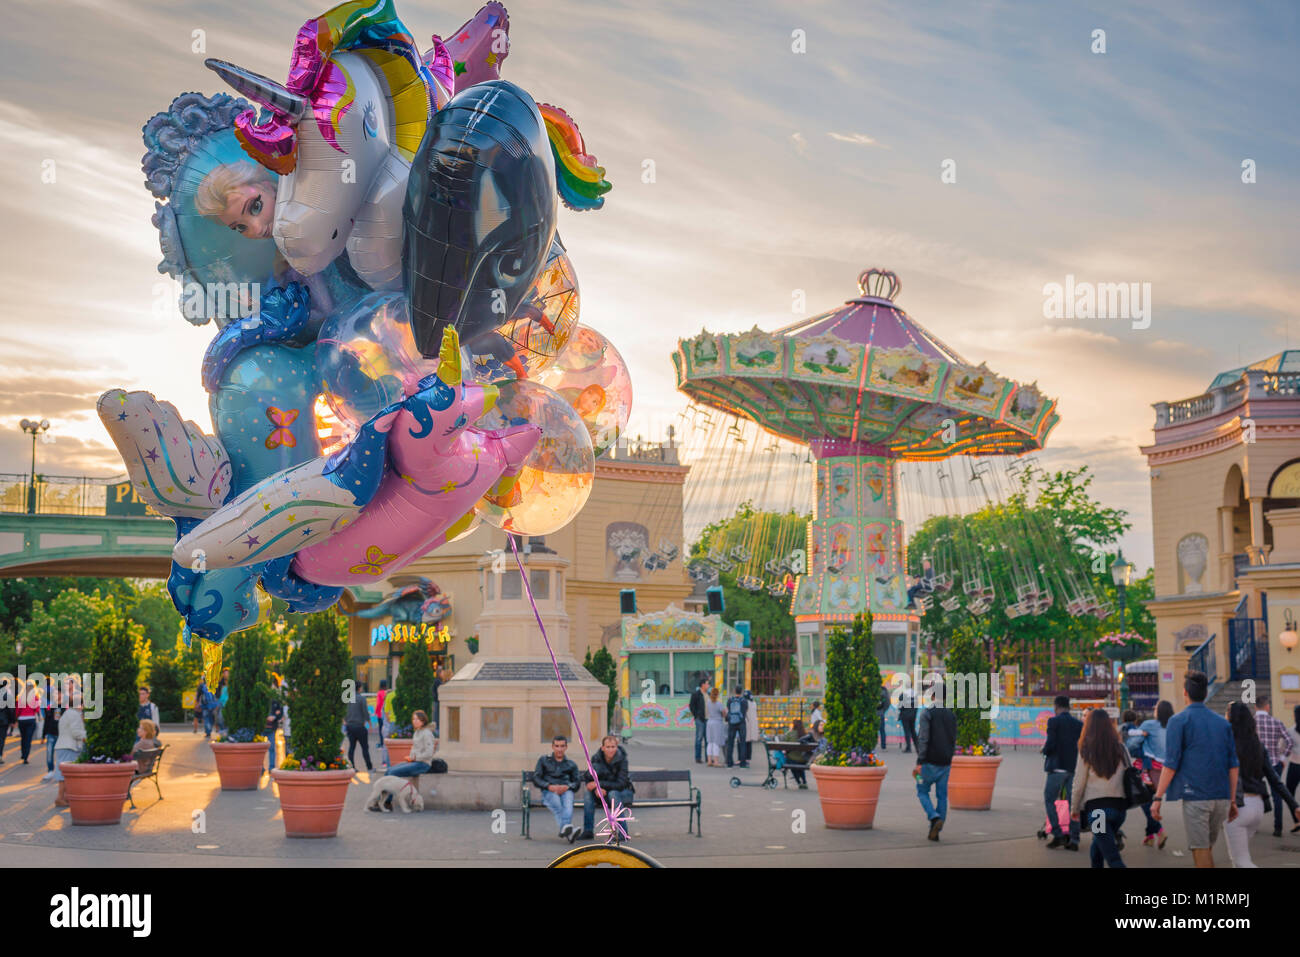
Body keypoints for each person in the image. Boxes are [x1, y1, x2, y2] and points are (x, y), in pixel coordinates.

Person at [1151, 671, 1239, 868]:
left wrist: (1158, 798)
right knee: (1206, 849)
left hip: (1196, 796)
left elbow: (1171, 763)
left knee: (1200, 851)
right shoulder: (1223, 723)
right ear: (1206, 694)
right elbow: (1233, 765)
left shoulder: (1178, 721)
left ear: (1185, 693)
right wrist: (1232, 800)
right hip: (1221, 797)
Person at [1224, 701, 1300, 867]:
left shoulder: (1228, 745)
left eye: (1226, 714)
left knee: (1242, 862)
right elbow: (1275, 780)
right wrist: (1294, 805)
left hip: (1237, 808)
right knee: (1240, 860)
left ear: (1231, 719)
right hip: (1258, 807)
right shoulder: (1258, 745)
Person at [1071, 708, 1130, 869]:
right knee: (1097, 850)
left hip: (1097, 812)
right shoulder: (1121, 748)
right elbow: (1130, 772)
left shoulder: (1086, 750)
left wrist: (1074, 808)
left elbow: (1078, 782)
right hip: (1119, 810)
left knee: (1113, 858)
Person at [914, 680, 957, 841]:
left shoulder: (927, 713)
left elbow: (923, 738)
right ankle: (937, 827)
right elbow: (953, 739)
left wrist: (919, 761)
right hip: (945, 762)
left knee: (921, 790)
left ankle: (933, 817)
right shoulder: (951, 715)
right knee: (942, 796)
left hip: (928, 762)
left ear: (932, 695)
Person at [1041, 695, 1084, 850]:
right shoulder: (1079, 724)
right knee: (1074, 804)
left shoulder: (1053, 722)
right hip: (1073, 768)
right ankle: (1074, 839)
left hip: (1057, 767)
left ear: (1056, 706)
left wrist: (1044, 751)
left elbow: (1050, 744)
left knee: (1049, 799)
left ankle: (1058, 834)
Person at [1131, 700, 1173, 847]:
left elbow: (1134, 742)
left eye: (1155, 707)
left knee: (1143, 800)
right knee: (1153, 801)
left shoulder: (1149, 725)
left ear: (1158, 711)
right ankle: (1149, 835)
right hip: (1165, 771)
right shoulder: (1174, 726)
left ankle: (1159, 830)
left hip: (1148, 769)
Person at [579, 735, 635, 840]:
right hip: (603, 793)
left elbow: (621, 784)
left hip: (623, 793)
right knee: (587, 794)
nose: (610, 750)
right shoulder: (596, 759)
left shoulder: (622, 760)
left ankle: (623, 833)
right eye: (608, 747)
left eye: (613, 747)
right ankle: (588, 831)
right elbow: (589, 776)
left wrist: (600, 785)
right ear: (603, 748)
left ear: (617, 747)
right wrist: (597, 788)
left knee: (613, 794)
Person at [1252, 695, 1293, 837]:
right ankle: (1278, 828)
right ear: (1267, 706)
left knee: (1253, 794)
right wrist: (1283, 757)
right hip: (1274, 762)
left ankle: (1253, 825)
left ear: (1255, 707)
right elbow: (1289, 741)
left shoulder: (1251, 722)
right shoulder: (1276, 722)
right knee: (1277, 795)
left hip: (1256, 763)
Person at [534, 735, 581, 840]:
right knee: (557, 804)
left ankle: (565, 830)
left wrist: (567, 786)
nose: (559, 749)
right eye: (557, 746)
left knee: (568, 805)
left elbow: (577, 782)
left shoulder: (571, 764)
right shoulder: (543, 760)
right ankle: (569, 831)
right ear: (552, 747)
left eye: (562, 746)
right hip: (549, 791)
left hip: (566, 790)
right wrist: (548, 786)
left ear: (566, 747)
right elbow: (536, 778)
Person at [52, 683, 85, 808]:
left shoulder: (68, 713)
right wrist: (87, 736)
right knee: (64, 775)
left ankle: (64, 798)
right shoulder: (74, 714)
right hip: (68, 747)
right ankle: (60, 798)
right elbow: (76, 732)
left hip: (64, 746)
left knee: (64, 774)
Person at [345, 690, 374, 772]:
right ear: (360, 688)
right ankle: (369, 767)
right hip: (360, 726)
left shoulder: (348, 699)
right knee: (365, 747)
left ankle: (352, 767)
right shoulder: (361, 698)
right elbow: (365, 712)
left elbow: (344, 711)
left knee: (352, 747)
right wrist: (369, 723)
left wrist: (345, 720)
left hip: (350, 726)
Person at [780, 719, 813, 788]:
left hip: (792, 759)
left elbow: (783, 744)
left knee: (791, 762)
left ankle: (798, 782)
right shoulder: (806, 734)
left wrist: (789, 731)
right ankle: (804, 781)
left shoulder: (790, 733)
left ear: (793, 725)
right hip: (803, 760)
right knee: (799, 764)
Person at [16, 679, 40, 764]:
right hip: (31, 719)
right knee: (28, 738)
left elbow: (18, 710)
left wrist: (16, 719)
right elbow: (37, 709)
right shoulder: (35, 697)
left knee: (23, 737)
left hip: (22, 720)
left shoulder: (21, 697)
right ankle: (26, 756)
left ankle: (23, 753)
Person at [725, 684, 748, 768]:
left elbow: (728, 709)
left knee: (730, 743)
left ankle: (729, 763)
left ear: (735, 691)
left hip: (732, 723)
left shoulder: (730, 700)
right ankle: (742, 763)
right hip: (741, 723)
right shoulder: (744, 700)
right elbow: (745, 711)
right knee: (742, 743)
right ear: (741, 691)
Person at [41, 688, 62, 781]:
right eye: (54, 693)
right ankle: (50, 771)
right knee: (49, 753)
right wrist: (43, 735)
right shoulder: (50, 706)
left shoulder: (64, 706)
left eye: (57, 693)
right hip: (50, 733)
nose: (55, 695)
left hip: (61, 734)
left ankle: (59, 772)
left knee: (60, 754)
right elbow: (46, 721)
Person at [689, 677, 710, 765]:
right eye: (707, 683)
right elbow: (691, 706)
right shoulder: (696, 694)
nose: (708, 685)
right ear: (703, 685)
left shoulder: (708, 694)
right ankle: (698, 757)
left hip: (708, 719)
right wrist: (696, 715)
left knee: (707, 739)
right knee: (699, 738)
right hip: (700, 719)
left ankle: (707, 757)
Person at [705, 687, 726, 766]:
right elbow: (724, 713)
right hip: (717, 723)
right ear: (717, 695)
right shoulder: (719, 704)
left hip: (709, 722)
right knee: (716, 742)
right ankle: (716, 761)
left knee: (710, 742)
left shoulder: (708, 702)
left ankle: (709, 761)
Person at [265, 687, 285, 773]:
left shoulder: (276, 701)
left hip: (272, 728)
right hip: (262, 727)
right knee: (259, 749)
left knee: (272, 748)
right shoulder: (263, 699)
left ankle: (271, 767)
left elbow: (280, 713)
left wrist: (275, 717)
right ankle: (261, 767)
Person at [898, 682, 918, 753]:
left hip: (905, 715)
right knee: (913, 731)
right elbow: (916, 705)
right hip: (913, 715)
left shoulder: (903, 694)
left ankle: (908, 748)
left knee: (907, 731)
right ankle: (917, 747)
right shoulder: (915, 694)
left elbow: (900, 706)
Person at [743, 689, 761, 767]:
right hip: (752, 725)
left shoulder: (745, 703)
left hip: (746, 723)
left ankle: (743, 759)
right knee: (749, 743)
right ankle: (748, 759)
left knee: (744, 742)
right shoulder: (754, 703)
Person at [1288, 705, 1300, 803]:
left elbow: (1284, 748)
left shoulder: (1291, 730)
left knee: (1289, 790)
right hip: (1294, 764)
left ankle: (1295, 813)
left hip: (1295, 765)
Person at [0, 677, 13, 764]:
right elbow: (10, 710)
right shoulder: (7, 696)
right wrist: (12, 720)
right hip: (3, 721)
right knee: (1, 738)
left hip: (4, 720)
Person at [215, 669, 230, 733]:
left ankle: (228, 731)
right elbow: (216, 693)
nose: (226, 675)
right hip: (221, 703)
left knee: (229, 718)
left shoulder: (233, 682)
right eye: (225, 673)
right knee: (220, 718)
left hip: (230, 703)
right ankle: (222, 730)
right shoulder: (220, 683)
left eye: (227, 673)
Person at [877, 681, 891, 750]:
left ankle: (874, 745)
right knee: (882, 729)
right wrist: (883, 710)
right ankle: (883, 745)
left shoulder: (873, 689)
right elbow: (888, 702)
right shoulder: (883, 690)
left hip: (876, 712)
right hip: (881, 712)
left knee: (877, 729)